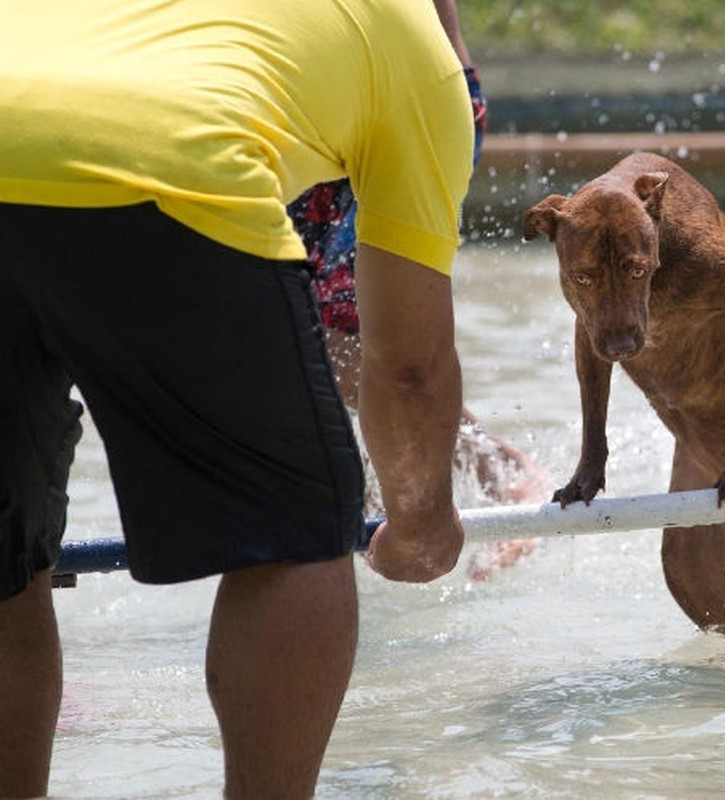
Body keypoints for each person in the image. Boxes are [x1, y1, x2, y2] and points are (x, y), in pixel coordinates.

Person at [0, 1, 471, 796]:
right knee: (295, 532)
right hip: (169, 170)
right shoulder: (413, 49)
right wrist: (422, 524)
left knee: (4, 551)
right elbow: (409, 367)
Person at [288, 0, 544, 580]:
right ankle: (376, 496)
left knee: (345, 337)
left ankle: (498, 474)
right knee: (292, 323)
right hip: (311, 124)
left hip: (403, 100)